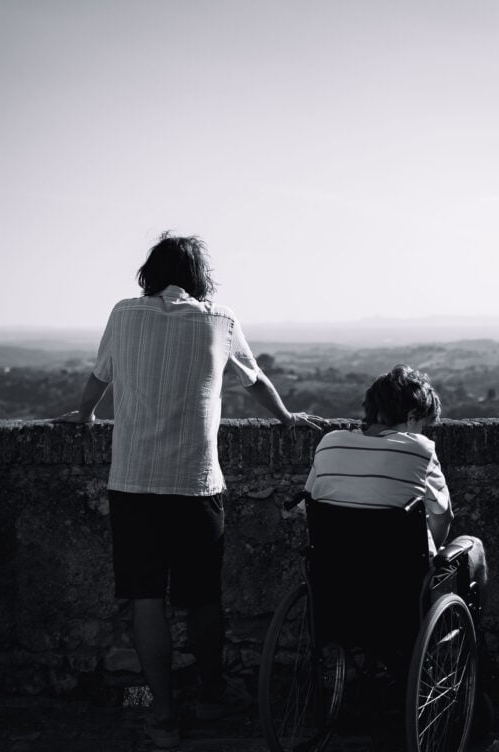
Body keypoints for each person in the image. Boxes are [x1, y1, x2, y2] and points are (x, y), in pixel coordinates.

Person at [54, 233, 320, 749]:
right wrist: (288, 418)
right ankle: (212, 694)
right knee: (202, 601)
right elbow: (255, 379)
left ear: (150, 273)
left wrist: (85, 416)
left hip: (131, 481)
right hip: (196, 483)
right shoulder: (218, 320)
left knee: (147, 600)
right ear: (200, 277)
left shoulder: (124, 314)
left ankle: (165, 715)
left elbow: (98, 377)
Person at [303, 364, 487, 590]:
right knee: (474, 546)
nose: (421, 432)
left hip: (336, 579)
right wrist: (429, 557)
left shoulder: (329, 442)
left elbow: (309, 503)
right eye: (421, 425)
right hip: (401, 581)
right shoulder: (420, 449)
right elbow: (442, 518)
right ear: (411, 417)